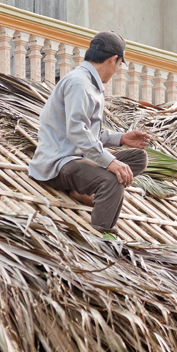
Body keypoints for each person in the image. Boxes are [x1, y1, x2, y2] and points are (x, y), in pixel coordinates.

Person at [28, 31, 151, 237]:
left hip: (81, 158)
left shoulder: (92, 85)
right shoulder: (80, 84)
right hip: (60, 162)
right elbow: (77, 132)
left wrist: (121, 138)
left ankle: (81, 191)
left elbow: (91, 134)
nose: (116, 70)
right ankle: (101, 238)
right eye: (119, 65)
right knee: (112, 181)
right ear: (113, 60)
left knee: (139, 158)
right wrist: (110, 162)